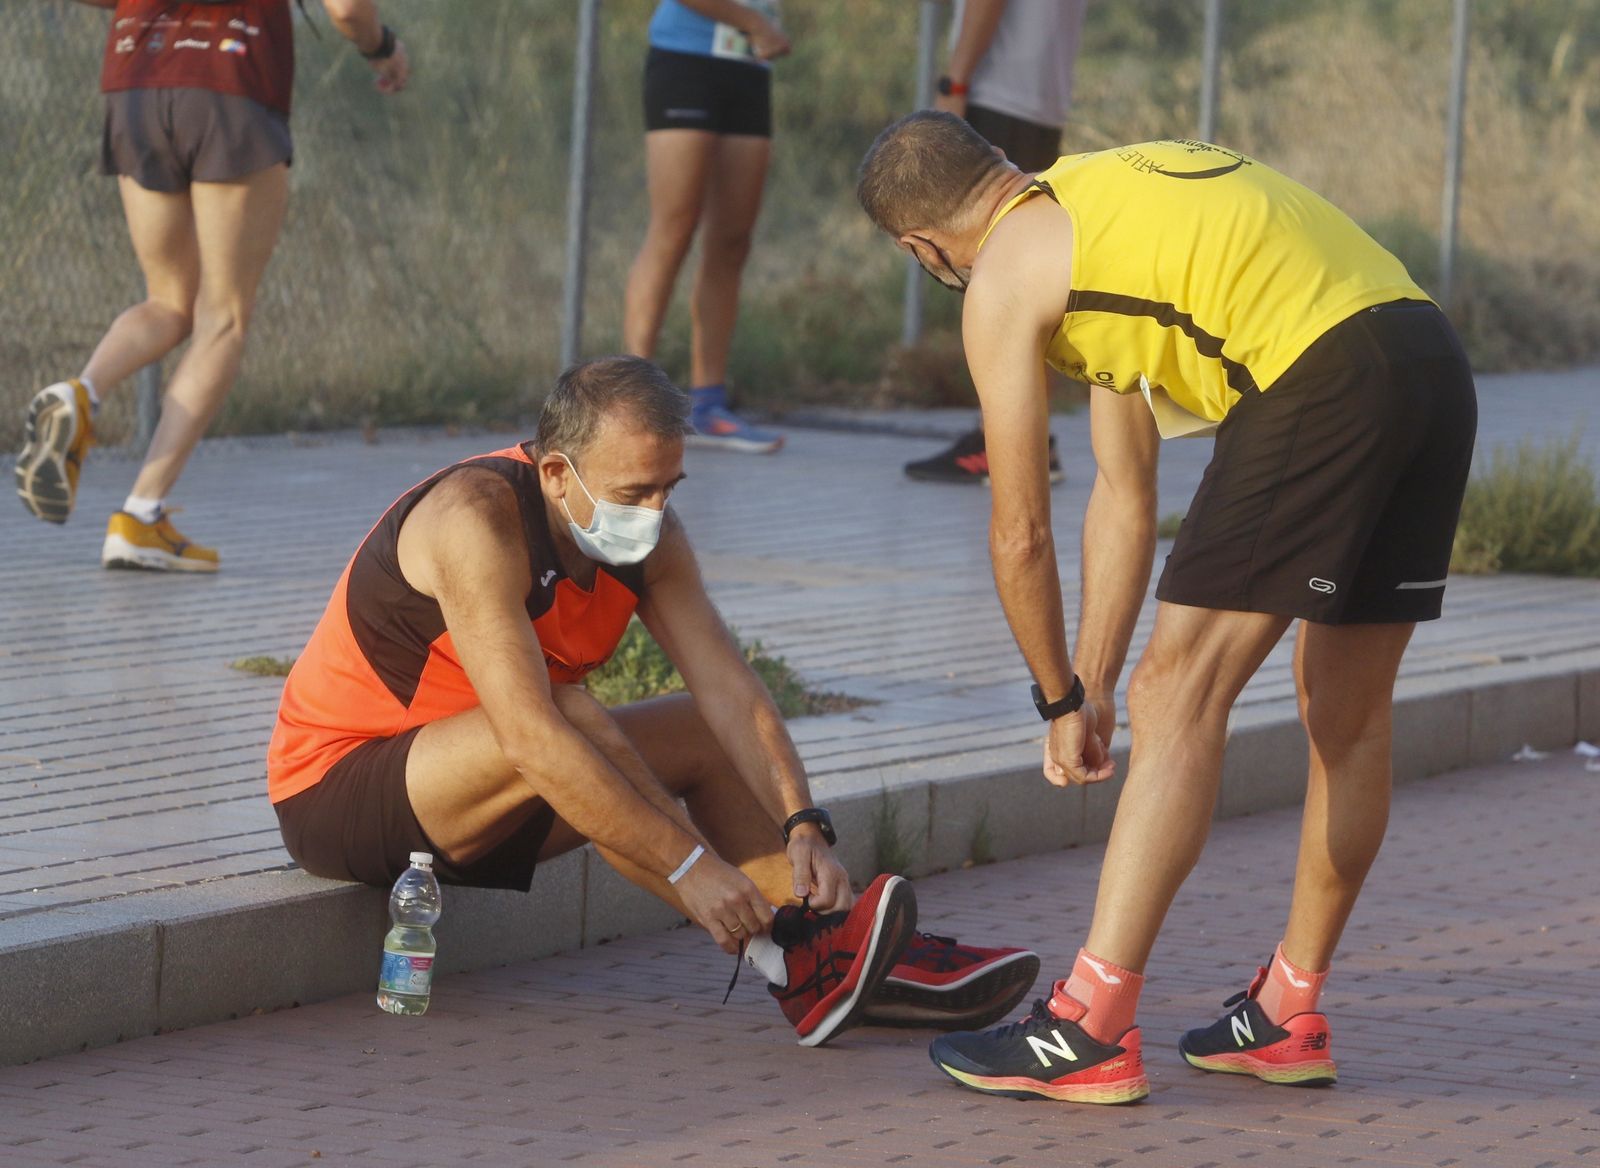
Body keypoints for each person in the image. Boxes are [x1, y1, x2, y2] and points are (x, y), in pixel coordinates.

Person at [858, 117, 1476, 1100]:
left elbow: (1018, 528)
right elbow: (1122, 490)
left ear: (922, 248)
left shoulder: (1004, 277)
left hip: (1317, 375)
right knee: (1344, 717)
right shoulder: (1098, 206)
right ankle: (1288, 1012)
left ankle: (1088, 1027)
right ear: (997, 171)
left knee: (1180, 692)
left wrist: (1053, 701)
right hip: (1427, 358)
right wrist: (1092, 681)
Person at [266, 356, 1040, 1045]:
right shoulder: (474, 521)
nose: (654, 512)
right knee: (566, 713)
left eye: (669, 487)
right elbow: (532, 736)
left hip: (491, 790)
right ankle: (794, 956)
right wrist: (689, 868)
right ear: (557, 474)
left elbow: (731, 691)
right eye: (634, 491)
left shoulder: (644, 536)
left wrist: (804, 823)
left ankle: (822, 952)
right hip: (342, 793)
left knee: (694, 725)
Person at [14, 0, 409, 572]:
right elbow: (348, 9)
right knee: (222, 317)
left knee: (168, 300)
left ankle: (80, 394)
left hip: (136, 82)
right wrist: (384, 48)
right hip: (229, 82)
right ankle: (140, 514)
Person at [902, 0, 1087, 487]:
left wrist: (954, 83)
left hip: (996, 94)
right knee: (1020, 271)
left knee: (990, 271)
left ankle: (1004, 444)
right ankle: (1028, 443)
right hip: (1038, 98)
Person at [621, 1, 787, 455]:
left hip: (749, 68)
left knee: (732, 240)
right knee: (673, 228)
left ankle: (709, 405)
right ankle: (630, 405)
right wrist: (756, 23)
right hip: (685, 62)